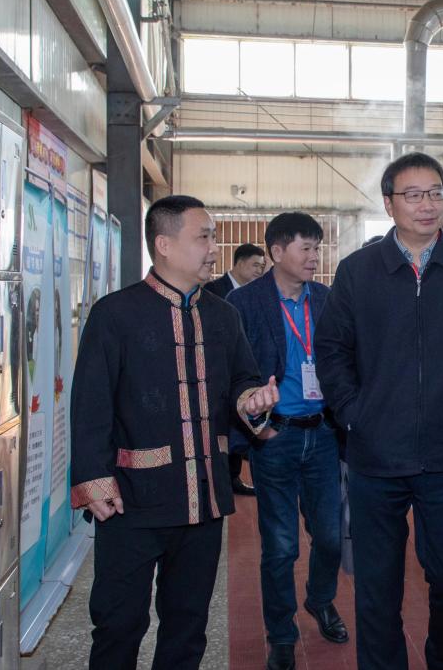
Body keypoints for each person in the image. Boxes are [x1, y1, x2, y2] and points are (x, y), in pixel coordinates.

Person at [315, 152, 443, 670]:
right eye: (413, 195)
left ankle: (439, 658)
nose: (427, 204)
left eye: (435, 193)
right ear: (389, 204)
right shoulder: (359, 272)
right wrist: (354, 413)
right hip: (375, 456)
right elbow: (332, 351)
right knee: (377, 585)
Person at [70, 195, 279, 670]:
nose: (213, 249)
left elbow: (243, 380)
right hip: (131, 501)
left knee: (187, 626)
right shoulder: (116, 314)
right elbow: (90, 404)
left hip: (204, 499)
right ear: (163, 244)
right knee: (119, 624)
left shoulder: (223, 315)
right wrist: (93, 479)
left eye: (213, 238)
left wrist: (252, 401)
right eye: (203, 237)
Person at [227, 213, 346, 670]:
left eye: (318, 248)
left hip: (323, 434)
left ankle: (320, 599)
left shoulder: (326, 299)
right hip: (274, 437)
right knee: (280, 546)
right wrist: (257, 428)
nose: (315, 257)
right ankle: (281, 633)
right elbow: (231, 374)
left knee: (330, 536)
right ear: (277, 252)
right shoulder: (245, 303)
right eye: (306, 248)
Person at [204, 242, 267, 496]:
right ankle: (221, 480)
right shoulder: (212, 290)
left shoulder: (257, 294)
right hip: (220, 371)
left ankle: (233, 477)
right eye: (255, 265)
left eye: (262, 267)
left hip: (245, 370)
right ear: (239, 263)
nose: (259, 271)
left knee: (238, 428)